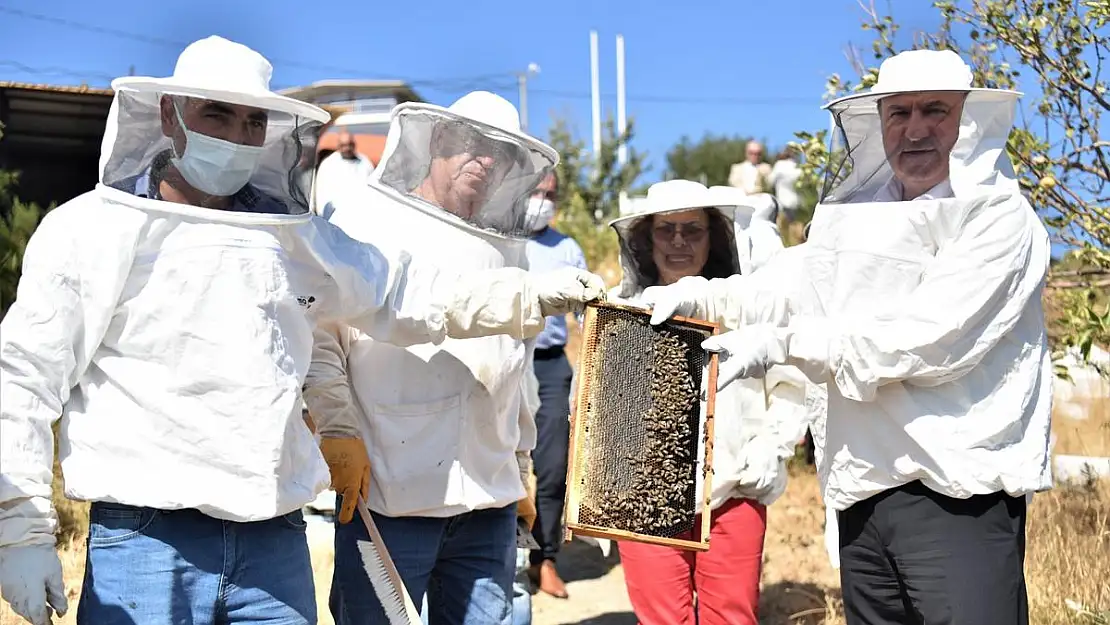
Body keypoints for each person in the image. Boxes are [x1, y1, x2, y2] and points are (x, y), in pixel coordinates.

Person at [0, 39, 605, 625]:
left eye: (252, 121)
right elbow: (23, 376)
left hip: (275, 540)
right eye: (217, 114)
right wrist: (20, 528)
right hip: (148, 540)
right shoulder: (90, 230)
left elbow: (402, 294)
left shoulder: (293, 237)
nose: (237, 135)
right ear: (169, 113)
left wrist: (528, 295)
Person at [643, 49, 1050, 625]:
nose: (914, 130)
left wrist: (782, 344)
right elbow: (789, 283)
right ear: (878, 123)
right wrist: (699, 297)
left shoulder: (999, 219)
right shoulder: (857, 218)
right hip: (862, 491)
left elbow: (929, 340)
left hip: (957, 496)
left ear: (969, 121)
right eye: (898, 113)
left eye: (934, 111)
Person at [304, 91, 563, 625]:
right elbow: (321, 335)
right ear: (439, 141)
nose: (485, 160)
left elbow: (514, 363)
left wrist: (518, 464)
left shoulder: (508, 245)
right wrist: (337, 429)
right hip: (391, 493)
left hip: (488, 502)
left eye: (501, 153)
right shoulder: (363, 215)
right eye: (473, 144)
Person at [607, 179, 811, 625]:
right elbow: (595, 413)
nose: (679, 242)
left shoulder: (747, 304)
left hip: (735, 490)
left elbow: (791, 383)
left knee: (731, 618)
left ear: (713, 237)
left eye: (693, 230)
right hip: (645, 498)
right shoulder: (621, 311)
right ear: (646, 238)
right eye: (666, 230)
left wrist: (773, 446)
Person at [520, 170, 588, 599]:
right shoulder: (499, 241)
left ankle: (544, 559)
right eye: (535, 192)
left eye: (549, 194)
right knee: (502, 462)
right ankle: (497, 557)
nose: (542, 201)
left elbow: (588, 313)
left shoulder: (566, 248)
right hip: (501, 360)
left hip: (548, 367)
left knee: (553, 465)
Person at [314, 129, 375, 210]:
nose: (347, 148)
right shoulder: (329, 164)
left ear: (354, 144)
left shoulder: (365, 162)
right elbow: (321, 192)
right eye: (343, 145)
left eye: (350, 144)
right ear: (338, 146)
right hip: (335, 213)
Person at [767, 146, 802, 222]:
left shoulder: (779, 165)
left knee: (783, 228)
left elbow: (770, 181)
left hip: (782, 203)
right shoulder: (799, 168)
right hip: (797, 203)